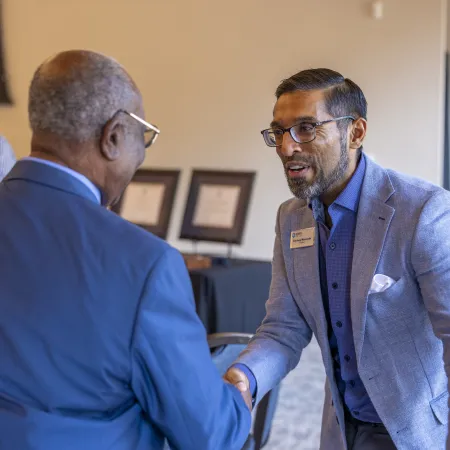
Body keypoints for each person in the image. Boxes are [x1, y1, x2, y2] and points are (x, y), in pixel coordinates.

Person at [0, 50, 251, 450]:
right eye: (144, 136)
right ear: (113, 135)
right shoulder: (145, 264)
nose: (143, 155)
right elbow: (209, 434)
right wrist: (238, 399)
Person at [224, 68, 450, 450]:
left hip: (419, 435)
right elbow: (284, 328)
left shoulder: (423, 211)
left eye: (306, 128)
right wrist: (246, 374)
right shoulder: (291, 217)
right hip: (342, 432)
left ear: (356, 132)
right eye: (279, 131)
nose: (286, 147)